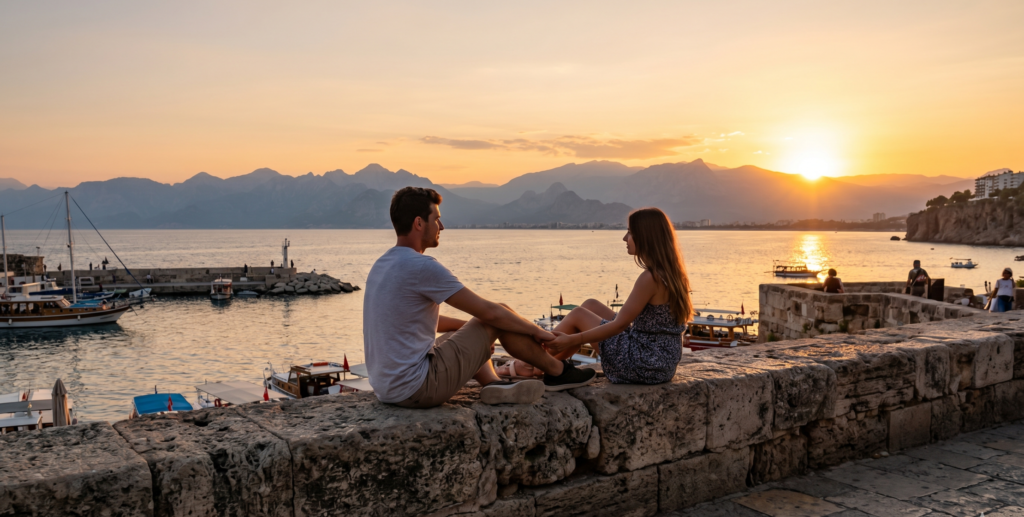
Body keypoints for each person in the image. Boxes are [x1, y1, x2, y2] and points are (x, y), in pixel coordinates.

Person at [364, 187, 595, 408]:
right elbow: (490, 312)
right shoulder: (421, 266)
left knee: (472, 328)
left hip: (388, 390)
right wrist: (538, 331)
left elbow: (419, 320)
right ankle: (557, 372)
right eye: (436, 219)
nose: (441, 226)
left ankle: (494, 384)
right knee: (498, 312)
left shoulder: (383, 264)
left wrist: (473, 332)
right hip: (417, 389)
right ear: (418, 223)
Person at [536, 207, 693, 385]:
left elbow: (619, 325)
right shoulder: (670, 273)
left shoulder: (650, 278)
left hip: (645, 364)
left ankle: (533, 364)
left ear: (645, 237)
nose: (624, 238)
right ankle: (545, 366)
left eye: (630, 232)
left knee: (579, 314)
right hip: (660, 361)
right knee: (591, 305)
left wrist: (573, 339)